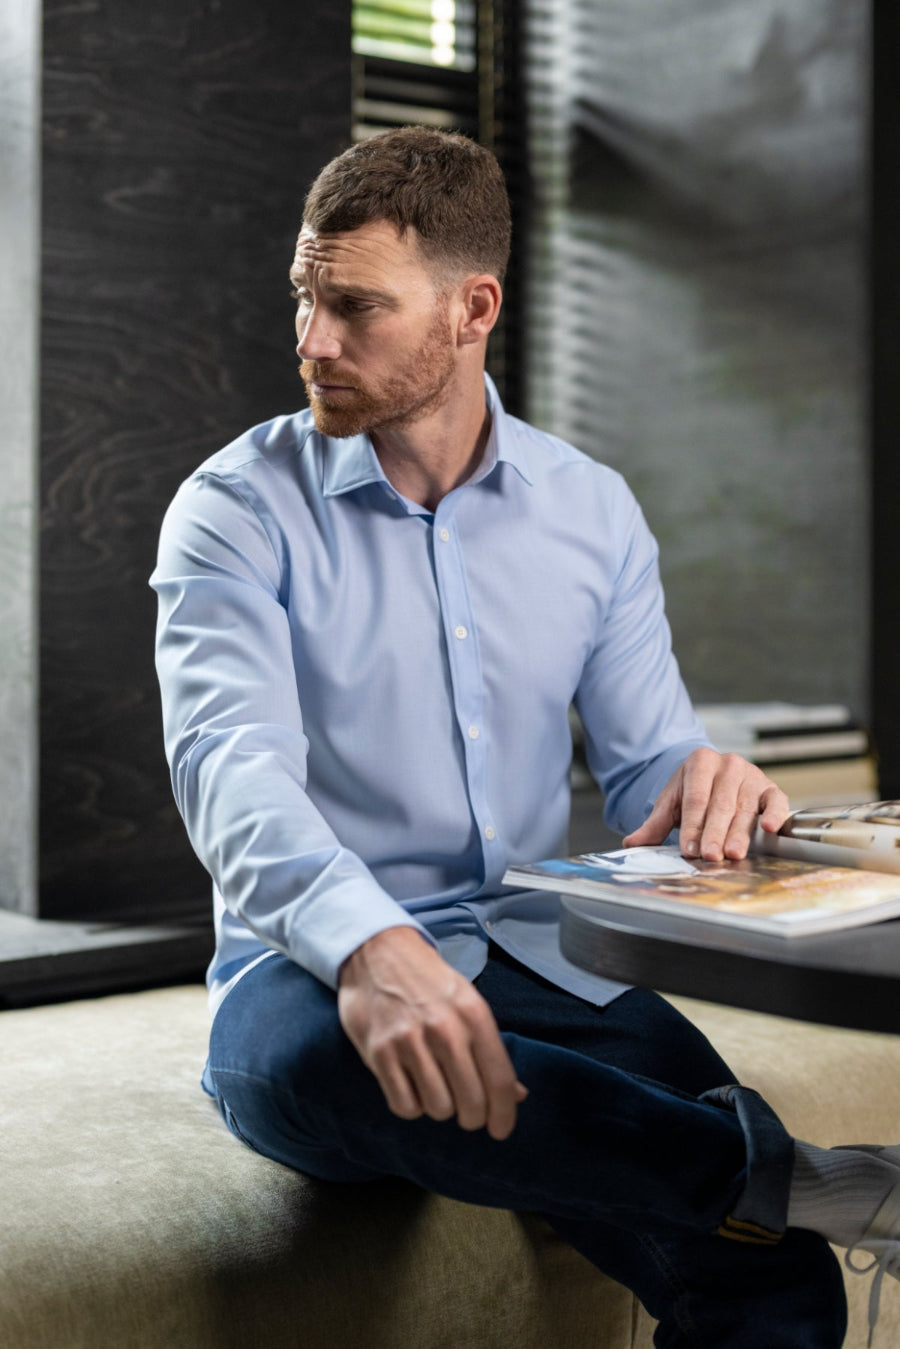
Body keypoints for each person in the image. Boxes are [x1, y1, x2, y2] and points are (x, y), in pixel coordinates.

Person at [151, 127, 898, 1346]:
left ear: (471, 308)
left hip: (546, 966)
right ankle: (796, 1177)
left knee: (771, 1282)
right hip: (312, 972)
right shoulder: (234, 510)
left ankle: (762, 1197)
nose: (313, 340)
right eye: (305, 296)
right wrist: (371, 946)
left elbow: (651, 766)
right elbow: (231, 766)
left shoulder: (591, 510)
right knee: (314, 1066)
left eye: (355, 306)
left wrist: (708, 775)